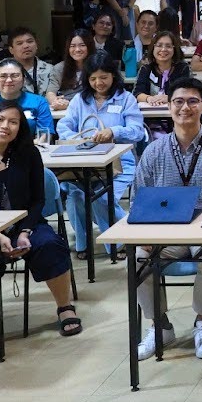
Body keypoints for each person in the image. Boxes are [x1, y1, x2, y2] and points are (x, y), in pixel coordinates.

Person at [131, 78, 202, 361]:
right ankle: (160, 326)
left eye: (193, 101)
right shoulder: (153, 151)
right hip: (166, 232)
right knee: (135, 258)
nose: (185, 108)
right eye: (178, 102)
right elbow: (139, 198)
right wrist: (143, 236)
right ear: (169, 107)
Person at [0, 100, 79, 356]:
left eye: (13, 122)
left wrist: (24, 232)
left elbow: (37, 200)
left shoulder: (28, 155)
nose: (5, 126)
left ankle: (65, 307)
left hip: (25, 223)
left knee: (50, 244)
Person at [56, 53, 146, 258]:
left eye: (103, 77)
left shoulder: (125, 99)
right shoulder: (80, 100)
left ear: (114, 76)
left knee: (101, 199)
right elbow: (64, 125)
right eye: (93, 78)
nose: (99, 83)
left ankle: (121, 241)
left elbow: (138, 131)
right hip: (83, 162)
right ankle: (83, 244)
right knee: (76, 194)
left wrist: (115, 131)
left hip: (118, 164)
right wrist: (79, 139)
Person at [0, 58, 56, 143]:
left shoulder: (39, 102)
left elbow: (44, 136)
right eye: (3, 76)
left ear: (23, 79)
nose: (9, 80)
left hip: (28, 152)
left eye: (15, 76)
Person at [133, 30, 188, 141]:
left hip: (176, 118)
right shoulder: (146, 69)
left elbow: (186, 92)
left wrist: (169, 97)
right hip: (149, 118)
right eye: (159, 45)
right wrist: (149, 98)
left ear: (174, 49)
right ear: (153, 48)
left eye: (168, 46)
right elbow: (137, 93)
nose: (163, 49)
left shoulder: (182, 68)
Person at [51, 29, 96, 110]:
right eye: (72, 46)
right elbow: (50, 92)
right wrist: (56, 102)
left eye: (82, 45)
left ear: (89, 46)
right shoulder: (59, 68)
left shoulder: (97, 65)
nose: (77, 49)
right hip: (66, 110)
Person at [123, 10, 159, 78]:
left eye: (150, 23)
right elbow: (123, 68)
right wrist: (137, 65)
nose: (146, 26)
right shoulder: (129, 47)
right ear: (137, 24)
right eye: (143, 22)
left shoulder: (162, 46)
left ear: (156, 27)